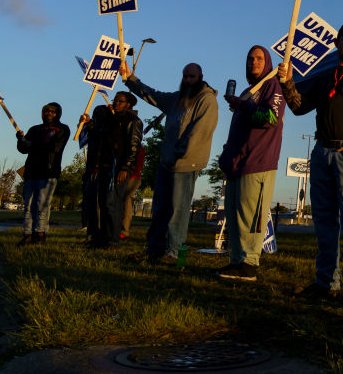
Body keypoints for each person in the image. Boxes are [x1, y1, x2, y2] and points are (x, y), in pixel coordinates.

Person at [278, 22, 343, 305]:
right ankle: (326, 281)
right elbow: (299, 106)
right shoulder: (326, 76)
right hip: (322, 152)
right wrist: (287, 82)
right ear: (337, 43)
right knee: (324, 220)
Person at [121, 61, 219, 262]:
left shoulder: (207, 100)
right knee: (159, 208)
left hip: (186, 164)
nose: (188, 80)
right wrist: (130, 79)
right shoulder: (177, 99)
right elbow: (153, 95)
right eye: (185, 76)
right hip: (167, 162)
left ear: (200, 77)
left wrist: (179, 154)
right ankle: (154, 248)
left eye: (192, 76)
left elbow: (199, 133)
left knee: (178, 210)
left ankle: (174, 253)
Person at [217, 46, 285, 281]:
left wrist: (244, 106)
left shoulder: (272, 86)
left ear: (266, 62)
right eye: (249, 58)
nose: (253, 62)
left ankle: (249, 263)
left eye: (258, 58)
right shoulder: (248, 91)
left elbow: (270, 119)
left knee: (250, 216)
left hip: (258, 162)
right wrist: (226, 154)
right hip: (237, 164)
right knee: (235, 217)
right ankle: (236, 261)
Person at [80, 92, 142, 249]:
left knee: (112, 203)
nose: (116, 103)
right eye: (116, 100)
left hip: (118, 167)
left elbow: (133, 147)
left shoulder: (133, 121)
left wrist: (125, 167)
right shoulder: (111, 119)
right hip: (104, 165)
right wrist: (89, 123)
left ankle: (113, 239)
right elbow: (99, 136)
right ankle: (102, 238)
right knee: (103, 203)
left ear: (129, 104)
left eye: (121, 101)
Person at [16, 102, 70, 245]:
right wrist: (21, 140)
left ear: (58, 113)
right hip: (31, 171)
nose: (49, 113)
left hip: (49, 172)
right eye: (46, 111)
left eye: (53, 111)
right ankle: (27, 234)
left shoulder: (62, 129)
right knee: (28, 205)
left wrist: (32, 145)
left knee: (42, 204)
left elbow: (55, 148)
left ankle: (40, 233)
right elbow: (23, 149)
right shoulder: (34, 129)